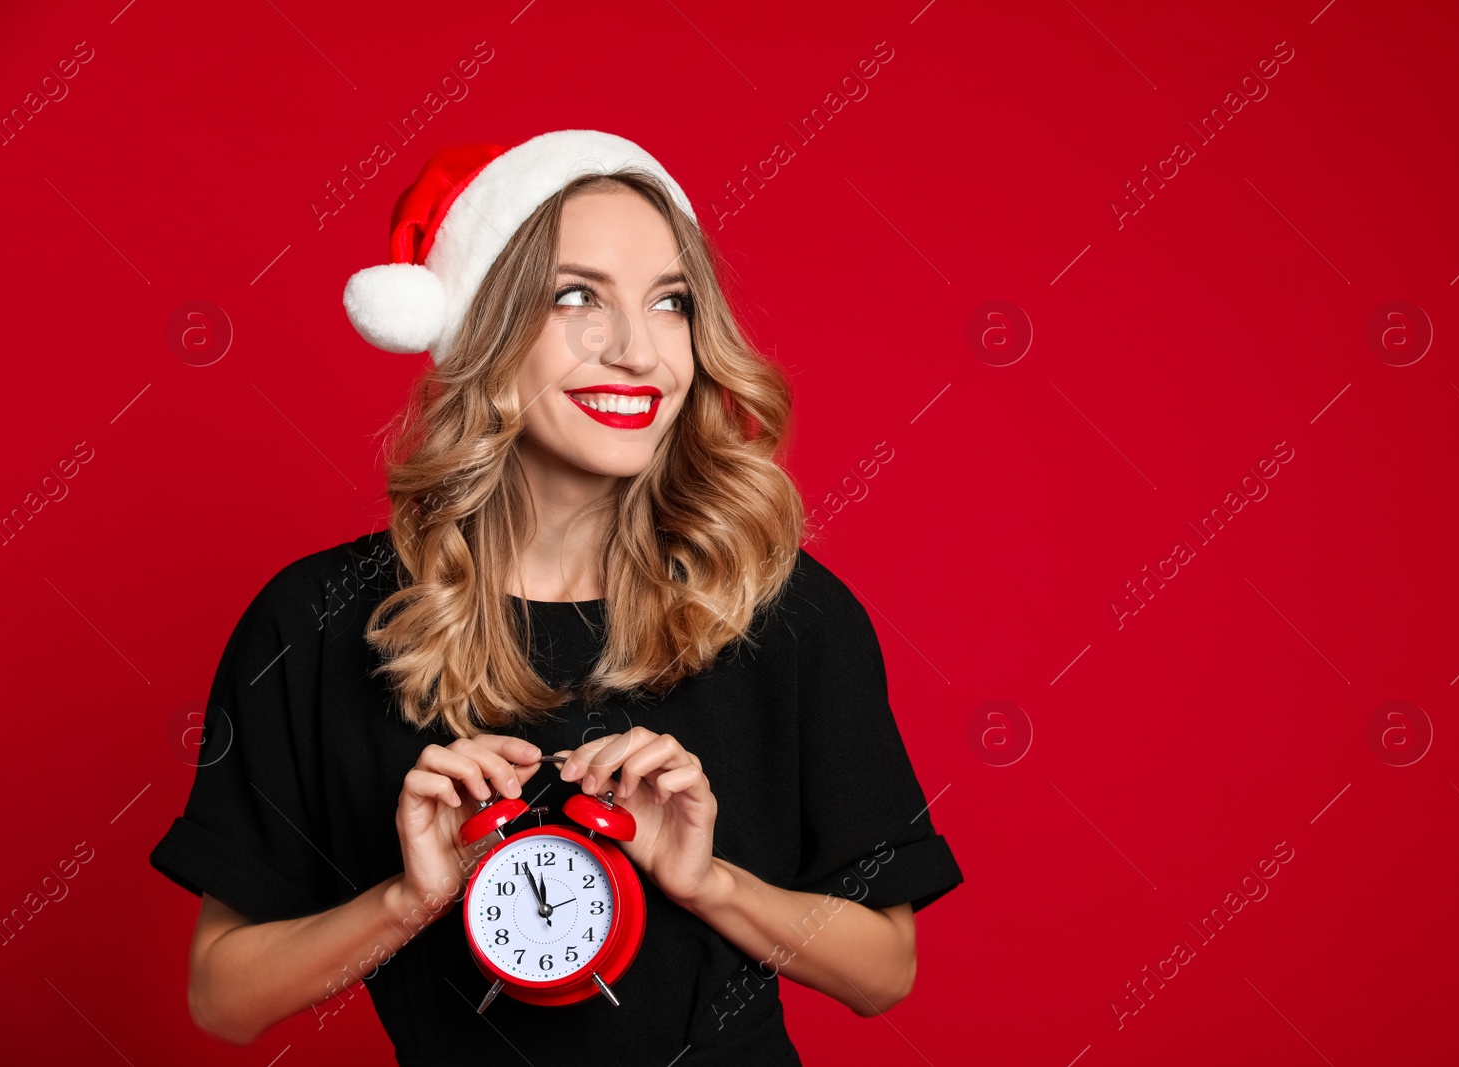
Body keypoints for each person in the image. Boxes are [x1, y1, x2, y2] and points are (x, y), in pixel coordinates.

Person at [149, 129, 963, 1066]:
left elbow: (883, 969)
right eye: (575, 296)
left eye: (671, 302)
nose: (636, 351)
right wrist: (410, 897)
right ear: (482, 328)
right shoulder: (318, 623)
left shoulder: (778, 609)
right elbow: (222, 997)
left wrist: (707, 882)